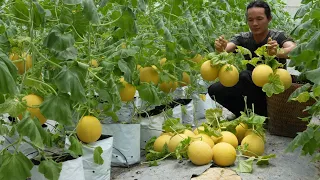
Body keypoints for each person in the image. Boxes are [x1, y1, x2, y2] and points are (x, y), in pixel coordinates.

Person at [208, 0, 296, 119]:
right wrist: (221, 47)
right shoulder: (243, 38)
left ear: (269, 19)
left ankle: (265, 115)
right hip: (250, 88)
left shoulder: (278, 36)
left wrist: (278, 52)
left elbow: (294, 50)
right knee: (215, 89)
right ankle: (247, 115)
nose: (255, 23)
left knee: (244, 76)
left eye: (259, 19)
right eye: (250, 20)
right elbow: (228, 47)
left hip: (272, 91)